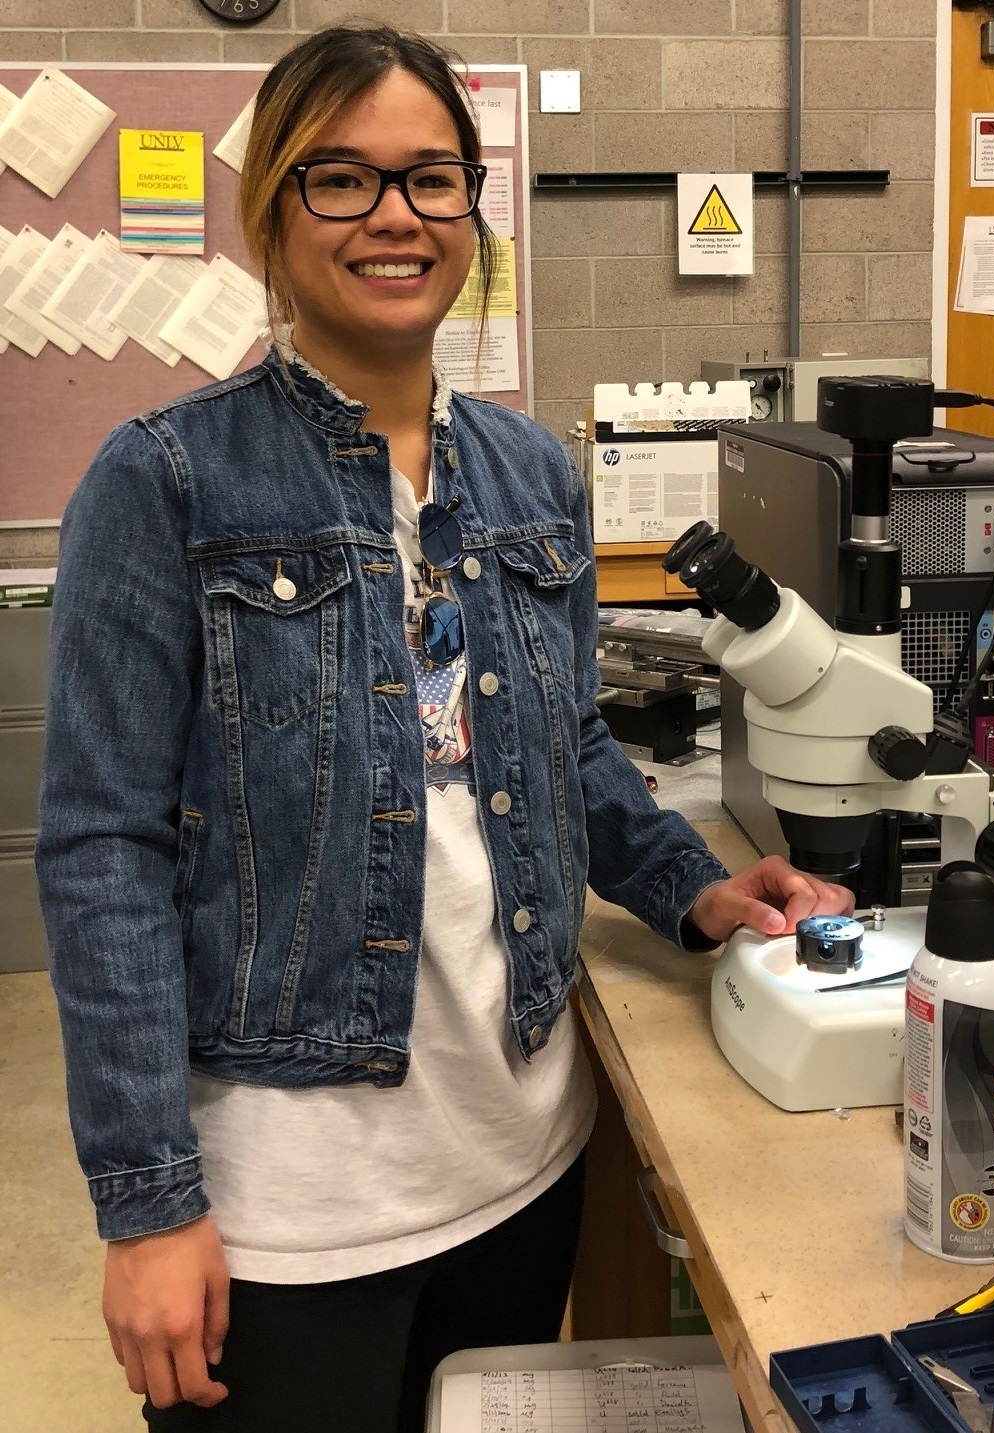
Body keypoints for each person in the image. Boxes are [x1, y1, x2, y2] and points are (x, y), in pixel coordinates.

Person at [35, 25, 853, 1433]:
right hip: (285, 1213)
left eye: (428, 179)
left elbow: (566, 750)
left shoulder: (532, 472)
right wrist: (147, 1203)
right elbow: (102, 852)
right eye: (339, 179)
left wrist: (692, 886)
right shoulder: (162, 480)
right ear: (272, 212)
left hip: (520, 1160)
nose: (393, 215)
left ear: (472, 210)